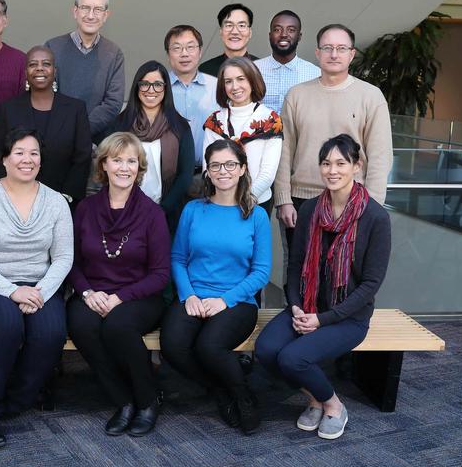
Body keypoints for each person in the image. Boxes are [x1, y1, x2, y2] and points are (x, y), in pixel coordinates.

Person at [256, 134, 391, 440]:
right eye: (326, 163)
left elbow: (370, 285)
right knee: (266, 350)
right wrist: (295, 306)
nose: (332, 170)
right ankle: (315, 398)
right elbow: (294, 264)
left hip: (347, 317)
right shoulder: (310, 210)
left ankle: (333, 405)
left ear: (356, 166)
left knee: (292, 358)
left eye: (341, 163)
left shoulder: (375, 217)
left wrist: (322, 319)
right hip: (306, 305)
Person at [0, 128, 74, 449]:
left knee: (51, 333)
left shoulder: (55, 201)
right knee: (7, 326)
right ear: (5, 160)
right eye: (20, 153)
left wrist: (38, 290)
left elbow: (64, 257)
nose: (27, 159)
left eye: (34, 153)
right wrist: (12, 291)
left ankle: (11, 403)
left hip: (40, 286)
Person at [160, 139, 271, 435]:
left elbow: (261, 272)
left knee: (210, 346)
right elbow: (178, 258)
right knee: (172, 347)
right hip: (194, 294)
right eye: (216, 165)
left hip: (237, 301)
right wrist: (188, 295)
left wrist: (225, 300)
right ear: (207, 171)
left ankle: (242, 396)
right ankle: (222, 389)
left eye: (230, 164)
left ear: (242, 169)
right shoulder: (193, 210)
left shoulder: (256, 215)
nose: (223, 171)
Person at [66, 132, 170, 437]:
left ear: (139, 168)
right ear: (104, 166)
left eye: (131, 161)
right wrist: (86, 292)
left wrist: (120, 297)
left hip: (140, 294)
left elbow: (160, 274)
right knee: (81, 325)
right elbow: (70, 261)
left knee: (118, 326)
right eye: (117, 160)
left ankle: (148, 400)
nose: (124, 167)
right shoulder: (85, 209)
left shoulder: (153, 213)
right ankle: (123, 401)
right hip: (92, 292)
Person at [275, 24, 393, 246]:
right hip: (302, 199)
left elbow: (380, 155)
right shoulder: (297, 95)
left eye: (341, 48)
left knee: (344, 274)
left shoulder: (371, 96)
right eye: (327, 47)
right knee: (297, 271)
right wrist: (283, 199)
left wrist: (371, 206)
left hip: (352, 200)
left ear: (352, 54)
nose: (334, 54)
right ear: (317, 53)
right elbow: (284, 150)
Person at [0, 46, 91, 206]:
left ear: (55, 71)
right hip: (16, 200)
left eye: (46, 64)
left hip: (63, 201)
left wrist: (67, 196)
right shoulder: (9, 108)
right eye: (33, 64)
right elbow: (0, 155)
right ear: (25, 72)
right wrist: (9, 194)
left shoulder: (76, 109)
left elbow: (83, 156)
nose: (39, 68)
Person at [108, 61, 193, 228]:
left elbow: (185, 175)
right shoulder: (120, 124)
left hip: (166, 214)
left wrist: (161, 210)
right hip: (123, 211)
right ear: (137, 87)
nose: (151, 90)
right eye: (145, 84)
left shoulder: (180, 127)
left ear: (166, 89)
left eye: (157, 85)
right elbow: (109, 167)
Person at [45, 0, 125, 141]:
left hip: (97, 146)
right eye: (85, 7)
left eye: (98, 9)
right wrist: (66, 132)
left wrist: (81, 131)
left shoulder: (114, 54)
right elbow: (45, 95)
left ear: (106, 15)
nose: (90, 15)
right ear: (75, 11)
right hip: (56, 139)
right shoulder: (52, 48)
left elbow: (113, 102)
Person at [202, 57, 283, 213]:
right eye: (228, 81)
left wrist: (244, 200)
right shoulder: (214, 122)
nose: (235, 87)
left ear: (252, 81)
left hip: (257, 202)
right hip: (219, 203)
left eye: (241, 79)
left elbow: (267, 173)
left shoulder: (271, 120)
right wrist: (225, 201)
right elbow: (208, 168)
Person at [166, 24, 218, 171]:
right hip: (168, 175)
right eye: (177, 48)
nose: (184, 54)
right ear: (168, 54)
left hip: (208, 173)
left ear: (200, 51)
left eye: (190, 47)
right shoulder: (158, 88)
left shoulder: (217, 87)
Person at [253, 10, 319, 116]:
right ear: (270, 35)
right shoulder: (253, 70)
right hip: (259, 132)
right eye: (277, 29)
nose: (284, 34)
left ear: (299, 36)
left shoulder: (315, 74)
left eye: (291, 30)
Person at [198, 3, 258, 78]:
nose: (235, 32)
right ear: (221, 32)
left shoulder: (263, 68)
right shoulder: (205, 70)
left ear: (250, 33)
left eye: (241, 25)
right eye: (229, 25)